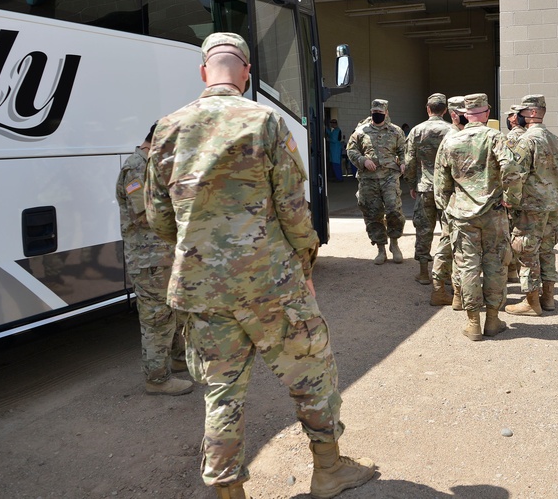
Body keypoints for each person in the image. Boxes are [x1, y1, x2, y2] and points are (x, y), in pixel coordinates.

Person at [144, 32, 375, 499]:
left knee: (221, 391)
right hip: (272, 283)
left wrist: (199, 249)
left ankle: (228, 492)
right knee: (311, 374)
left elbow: (158, 217)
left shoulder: (168, 127)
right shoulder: (264, 121)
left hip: (202, 287)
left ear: (204, 71)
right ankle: (328, 470)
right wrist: (305, 259)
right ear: (247, 73)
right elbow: (293, 207)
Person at [433, 93, 523, 341]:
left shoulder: (451, 141)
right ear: (486, 113)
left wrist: (448, 208)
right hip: (493, 213)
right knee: (496, 264)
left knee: (467, 266)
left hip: (462, 215)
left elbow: (441, 184)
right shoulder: (495, 137)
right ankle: (492, 321)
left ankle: (473, 323)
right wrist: (511, 198)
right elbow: (511, 168)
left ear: (463, 114)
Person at [116, 123, 193, 397]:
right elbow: (144, 214)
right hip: (149, 260)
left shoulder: (151, 165)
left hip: (163, 256)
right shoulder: (137, 168)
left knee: (173, 311)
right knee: (157, 318)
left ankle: (178, 359)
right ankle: (157, 379)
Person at [505, 94, 558, 316]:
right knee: (547, 250)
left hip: (531, 206)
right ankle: (548, 297)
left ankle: (531, 301)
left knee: (526, 251)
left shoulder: (527, 140)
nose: (517, 117)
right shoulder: (555, 139)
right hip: (552, 205)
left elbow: (515, 175)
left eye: (521, 113)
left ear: (532, 113)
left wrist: (510, 201)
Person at [346, 99, 407, 265]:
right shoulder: (360, 131)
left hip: (389, 177)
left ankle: (394, 243)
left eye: (380, 113)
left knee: (394, 209)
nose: (377, 115)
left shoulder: (396, 131)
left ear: (386, 113)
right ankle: (380, 248)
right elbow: (351, 150)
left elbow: (404, 151)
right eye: (374, 113)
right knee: (372, 213)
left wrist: (403, 162)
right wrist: (362, 160)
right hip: (368, 179)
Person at [403, 93, 453, 292]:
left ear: (428, 108)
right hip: (448, 190)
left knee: (424, 230)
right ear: (445, 110)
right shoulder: (452, 130)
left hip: (425, 188)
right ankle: (446, 273)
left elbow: (409, 162)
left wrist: (412, 184)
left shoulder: (416, 131)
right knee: (449, 231)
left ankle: (424, 272)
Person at [429, 95, 466, 307]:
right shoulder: (451, 137)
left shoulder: (458, 135)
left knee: (450, 244)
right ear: (454, 115)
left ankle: (447, 289)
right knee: (449, 244)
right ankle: (442, 289)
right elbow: (442, 177)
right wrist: (444, 206)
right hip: (452, 203)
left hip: (454, 202)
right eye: (463, 113)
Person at [503, 104, 527, 284]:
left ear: (514, 118)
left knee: (511, 232)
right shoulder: (531, 135)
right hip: (530, 194)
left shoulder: (510, 137)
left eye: (510, 116)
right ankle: (520, 270)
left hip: (513, 193)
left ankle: (512, 271)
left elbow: (507, 167)